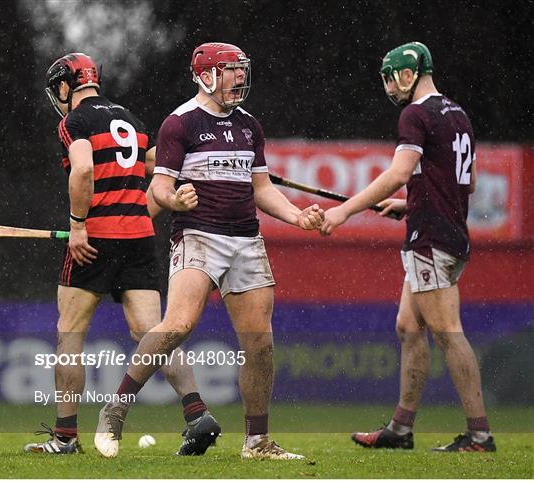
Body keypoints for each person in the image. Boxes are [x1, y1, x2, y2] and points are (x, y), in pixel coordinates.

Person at [94, 42, 324, 460]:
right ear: (206, 75)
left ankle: (257, 442)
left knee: (260, 343)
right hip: (199, 235)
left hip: (246, 239)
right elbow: (160, 186)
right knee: (178, 325)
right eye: (231, 71)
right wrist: (174, 200)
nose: (239, 78)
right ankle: (115, 411)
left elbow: (261, 189)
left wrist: (296, 217)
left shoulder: (250, 125)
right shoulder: (179, 124)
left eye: (241, 70)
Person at [25, 53, 218, 456]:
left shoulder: (73, 122)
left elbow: (82, 172)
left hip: (94, 238)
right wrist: (139, 210)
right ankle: (197, 414)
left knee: (70, 332)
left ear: (65, 86)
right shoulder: (131, 119)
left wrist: (78, 225)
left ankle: (65, 437)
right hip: (139, 239)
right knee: (154, 333)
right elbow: (157, 167)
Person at [320, 42, 496, 452]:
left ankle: (480, 436)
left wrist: (344, 211)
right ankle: (400, 431)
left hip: (431, 237)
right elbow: (464, 182)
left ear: (408, 73)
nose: (388, 85)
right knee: (408, 326)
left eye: (390, 75)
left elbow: (399, 172)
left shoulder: (415, 113)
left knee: (449, 333)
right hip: (448, 230)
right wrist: (410, 203)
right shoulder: (457, 113)